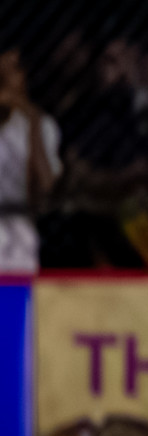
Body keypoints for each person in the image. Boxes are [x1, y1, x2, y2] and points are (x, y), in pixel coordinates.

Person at [0, 49, 63, 273]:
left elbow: (45, 189)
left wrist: (31, 119)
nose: (5, 77)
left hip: (19, 230)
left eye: (12, 70)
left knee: (13, 305)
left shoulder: (41, 125)